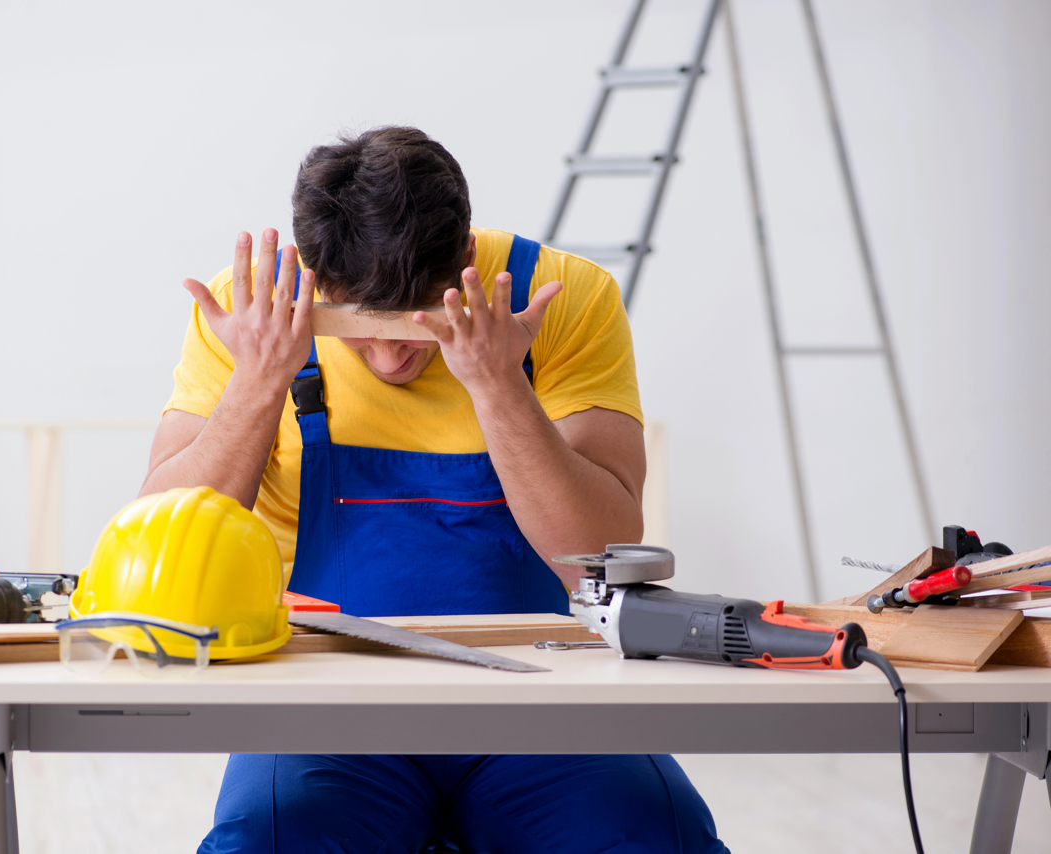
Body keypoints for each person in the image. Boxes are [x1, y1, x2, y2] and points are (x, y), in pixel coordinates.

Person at [142, 126, 727, 853]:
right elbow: (162, 535)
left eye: (416, 327)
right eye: (361, 330)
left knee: (657, 839)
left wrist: (498, 384)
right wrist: (258, 379)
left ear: (465, 259)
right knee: (268, 843)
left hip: (541, 693)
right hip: (325, 699)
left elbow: (597, 555)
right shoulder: (252, 315)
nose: (390, 359)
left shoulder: (560, 299)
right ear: (316, 281)